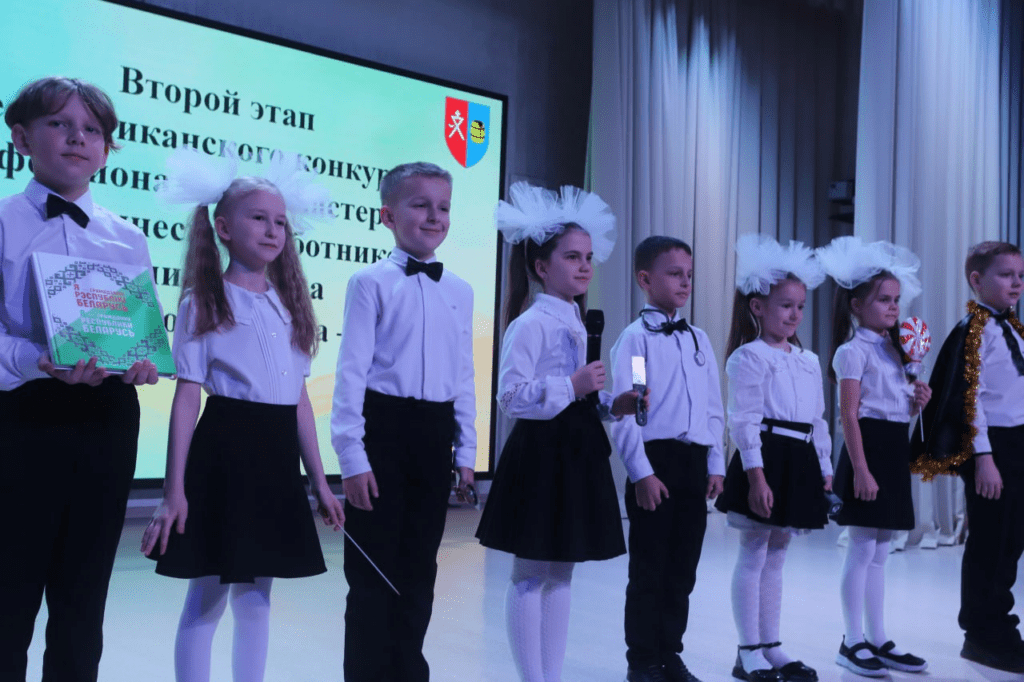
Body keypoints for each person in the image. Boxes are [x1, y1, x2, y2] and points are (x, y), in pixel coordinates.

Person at [142, 148, 344, 682]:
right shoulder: (204, 299)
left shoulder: (288, 304)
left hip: (275, 457)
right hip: (225, 451)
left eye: (280, 221)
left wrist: (320, 482)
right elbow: (187, 396)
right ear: (224, 228)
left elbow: (299, 399)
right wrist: (173, 489)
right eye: (259, 217)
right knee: (207, 594)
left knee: (257, 598)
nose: (273, 230)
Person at [0, 76, 160, 681]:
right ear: (22, 138)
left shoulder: (129, 237)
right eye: (60, 124)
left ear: (107, 149)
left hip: (107, 420)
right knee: (8, 590)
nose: (78, 138)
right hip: (22, 416)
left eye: (92, 130)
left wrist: (142, 361)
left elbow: (137, 331)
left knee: (84, 595)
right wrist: (36, 361)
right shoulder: (3, 223)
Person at [476, 182, 642, 682]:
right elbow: (510, 397)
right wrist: (570, 385)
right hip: (541, 454)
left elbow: (581, 396)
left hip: (577, 450)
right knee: (530, 574)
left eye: (588, 257)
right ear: (541, 267)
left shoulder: (578, 320)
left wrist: (612, 404)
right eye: (572, 257)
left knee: (563, 572)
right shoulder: (530, 324)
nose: (585, 266)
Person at [331, 161, 476, 681]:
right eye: (421, 205)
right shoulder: (369, 282)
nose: (435, 217)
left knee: (419, 570)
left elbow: (463, 374)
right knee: (372, 573)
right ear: (388, 215)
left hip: (434, 436)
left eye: (444, 207)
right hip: (383, 432)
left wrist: (467, 452)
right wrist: (352, 457)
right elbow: (351, 373)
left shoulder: (460, 290)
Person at [714, 235, 832, 682]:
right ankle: (748, 650)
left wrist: (824, 467)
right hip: (765, 458)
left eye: (800, 306)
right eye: (785, 305)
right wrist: (756, 477)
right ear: (757, 307)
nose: (794, 314)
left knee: (778, 554)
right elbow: (743, 421)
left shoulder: (807, 360)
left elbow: (817, 420)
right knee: (754, 551)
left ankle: (771, 644)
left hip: (798, 459)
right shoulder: (749, 357)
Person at [608, 235, 725, 682]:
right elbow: (630, 412)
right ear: (645, 279)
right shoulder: (636, 341)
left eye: (689, 275)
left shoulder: (699, 339)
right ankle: (642, 661)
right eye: (675, 274)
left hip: (693, 463)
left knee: (682, 570)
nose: (685, 282)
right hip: (655, 463)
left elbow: (713, 406)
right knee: (649, 569)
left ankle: (669, 654)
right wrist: (641, 473)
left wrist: (715, 463)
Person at [818, 236, 930, 677]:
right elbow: (849, 414)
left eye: (896, 300)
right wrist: (861, 470)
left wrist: (916, 401)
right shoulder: (852, 351)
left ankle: (879, 638)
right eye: (884, 299)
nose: (893, 307)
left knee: (883, 550)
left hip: (893, 448)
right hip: (866, 451)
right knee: (862, 547)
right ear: (856, 305)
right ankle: (851, 640)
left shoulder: (896, 351)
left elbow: (896, 410)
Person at [911, 241, 1024, 674]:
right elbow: (969, 399)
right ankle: (981, 633)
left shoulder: (1012, 328)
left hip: (1017, 444)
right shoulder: (973, 329)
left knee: (1011, 540)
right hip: (992, 447)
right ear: (977, 280)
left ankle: (1001, 625)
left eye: (1020, 275)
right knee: (990, 541)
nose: (1016, 283)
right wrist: (985, 459)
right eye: (1005, 275)